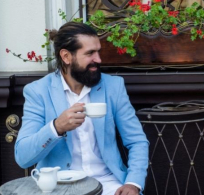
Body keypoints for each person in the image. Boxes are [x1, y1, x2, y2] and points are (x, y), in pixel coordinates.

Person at [14, 22, 149, 195]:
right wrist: (56, 127)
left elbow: (137, 141)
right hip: (58, 186)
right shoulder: (38, 91)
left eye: (98, 52)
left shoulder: (113, 86)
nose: (98, 59)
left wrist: (133, 183)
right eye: (90, 53)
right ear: (66, 56)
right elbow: (23, 157)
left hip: (108, 183)